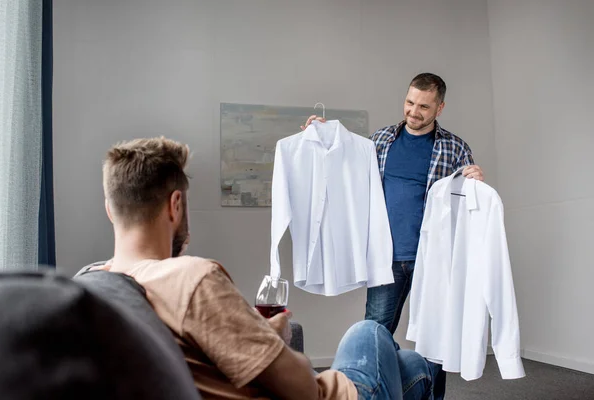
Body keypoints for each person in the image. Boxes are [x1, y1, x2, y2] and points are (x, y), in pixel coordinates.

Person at [94, 137, 445, 399]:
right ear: (175, 205)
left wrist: (250, 334)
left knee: (411, 366)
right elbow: (303, 385)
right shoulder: (192, 280)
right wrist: (274, 337)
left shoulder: (97, 285)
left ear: (110, 210)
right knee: (370, 332)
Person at [302, 73, 484, 335]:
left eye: (424, 106)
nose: (413, 112)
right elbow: (344, 166)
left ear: (439, 108)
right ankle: (376, 378)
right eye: (410, 102)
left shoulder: (455, 148)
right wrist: (323, 133)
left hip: (434, 256)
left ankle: (428, 379)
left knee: (434, 335)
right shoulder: (380, 140)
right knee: (374, 332)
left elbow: (468, 203)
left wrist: (475, 181)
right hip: (386, 256)